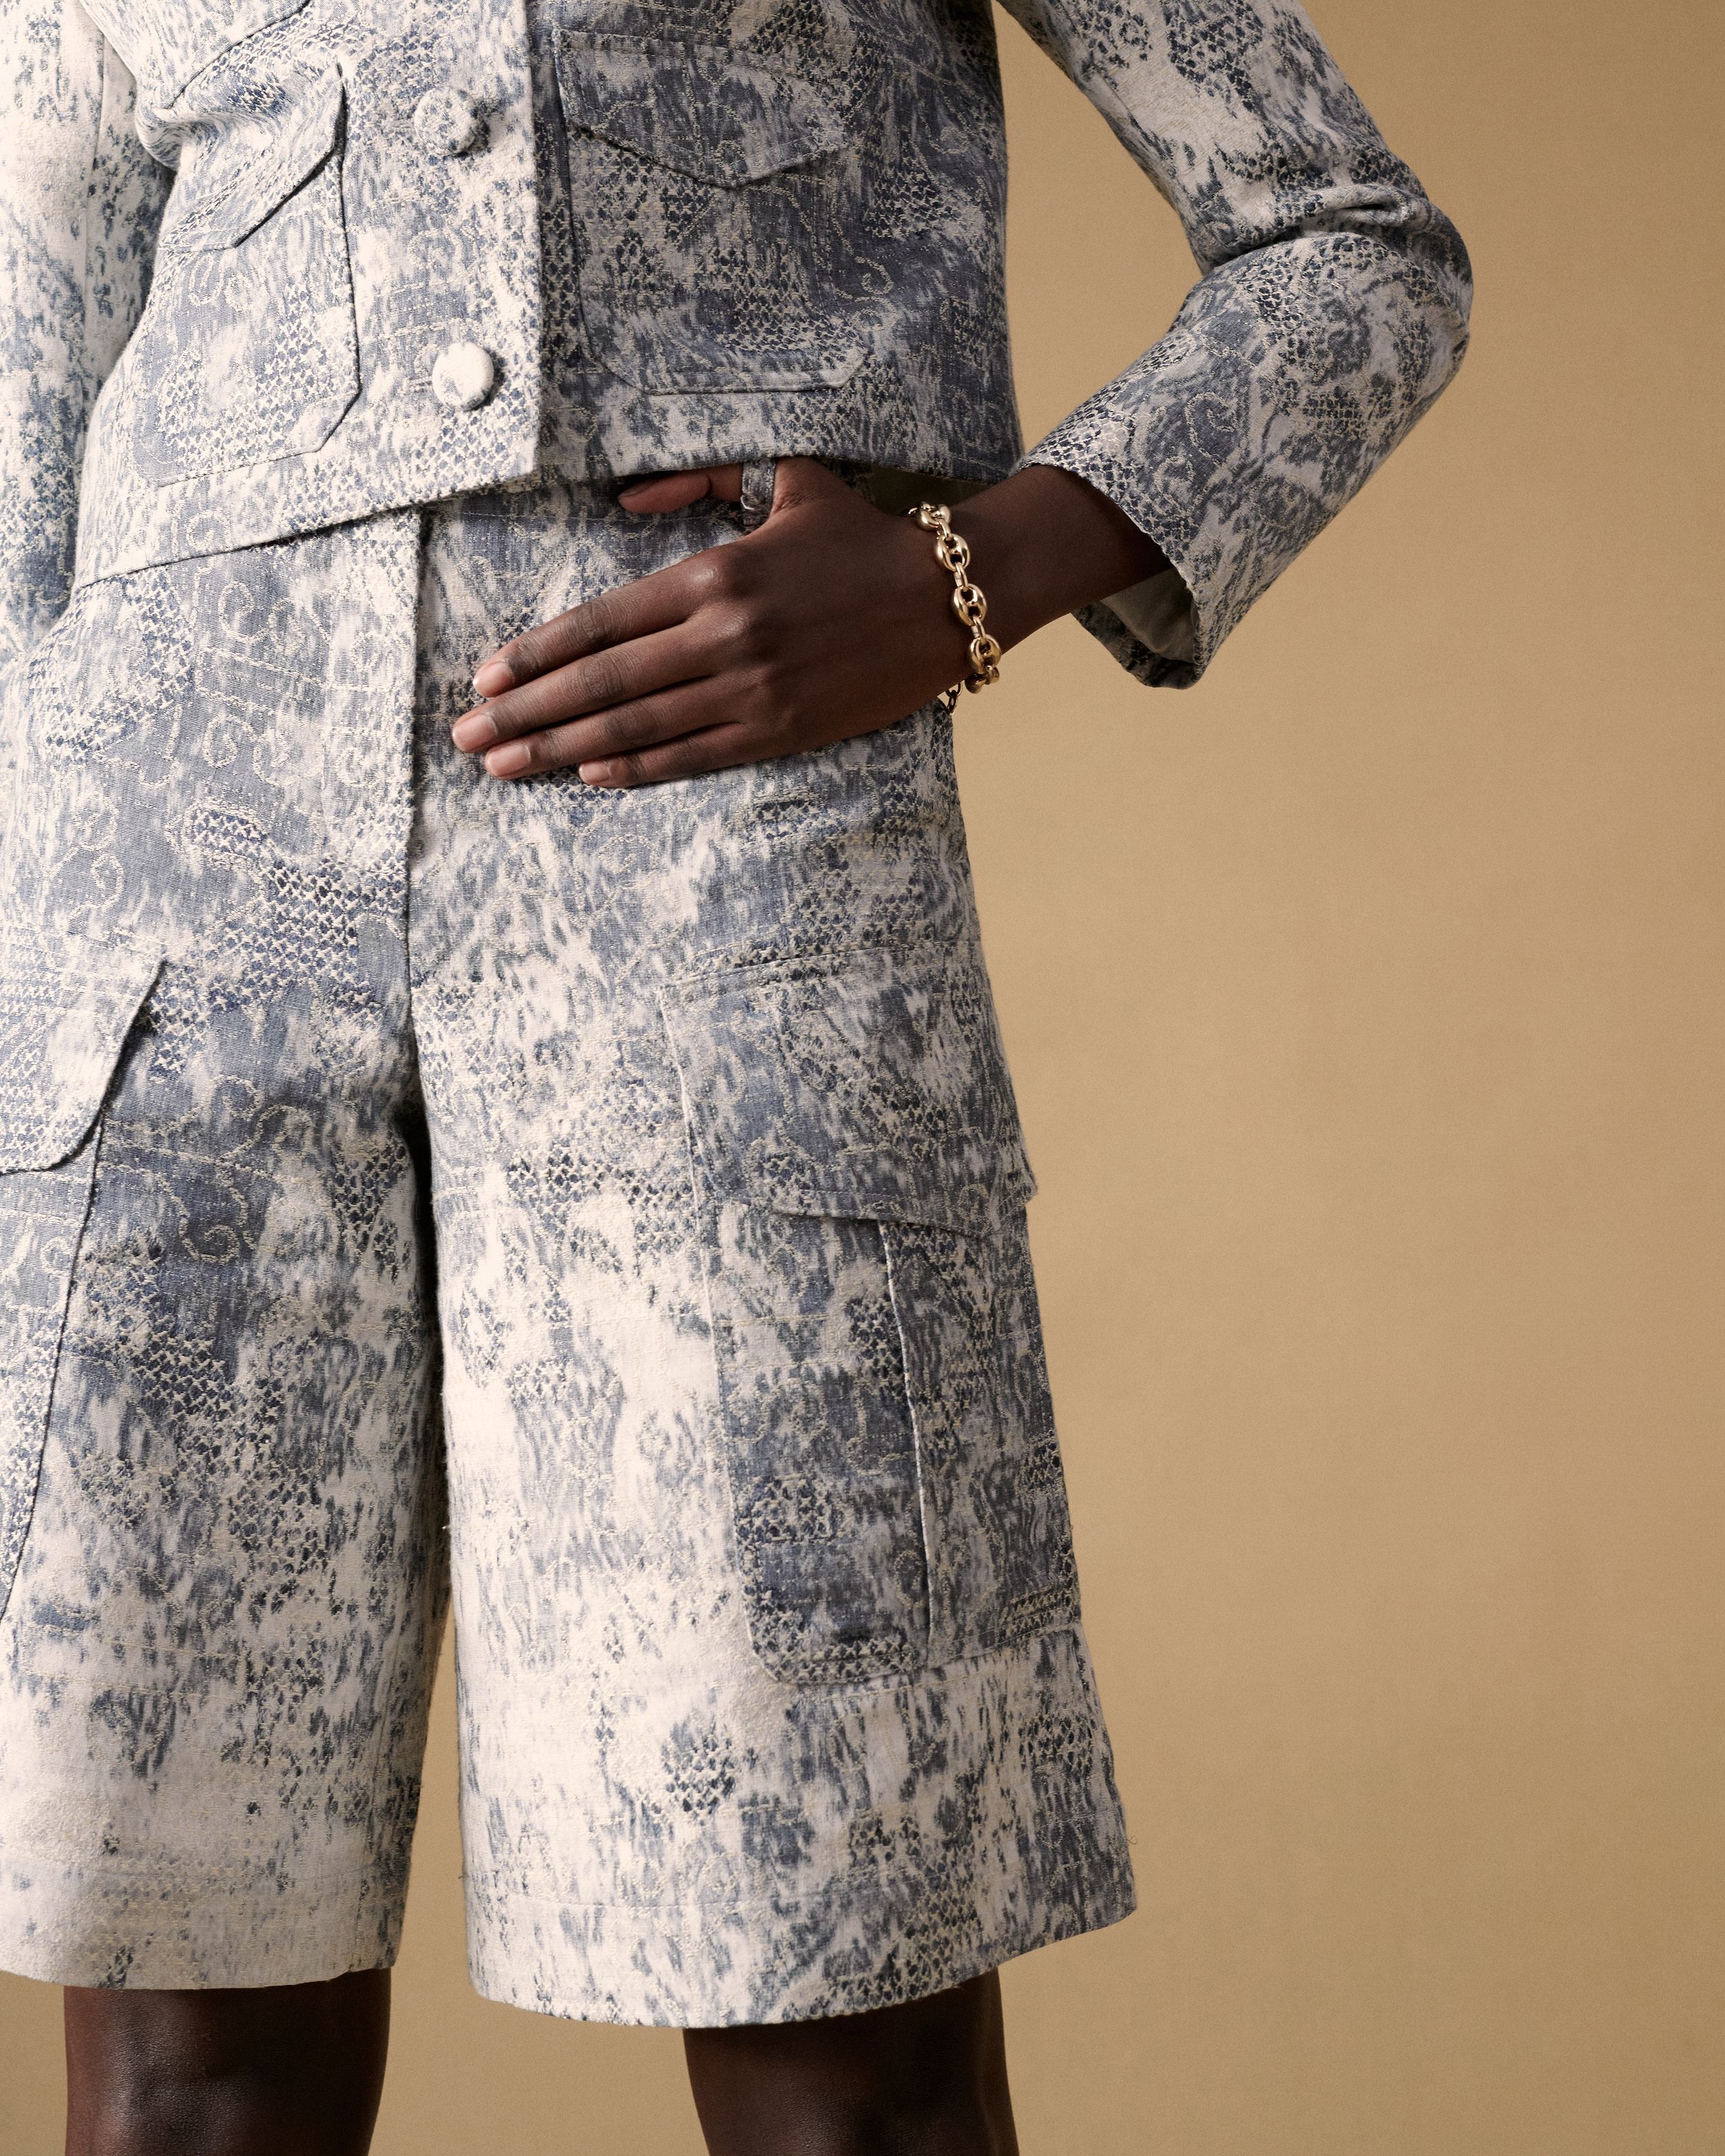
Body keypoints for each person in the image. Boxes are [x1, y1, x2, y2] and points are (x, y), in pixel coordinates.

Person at [0, 0, 1469, 2148]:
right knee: (185, 2072)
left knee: (842, 2044)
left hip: (721, 912)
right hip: (151, 973)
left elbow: (1349, 241)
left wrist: (967, 575)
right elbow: (25, 418)